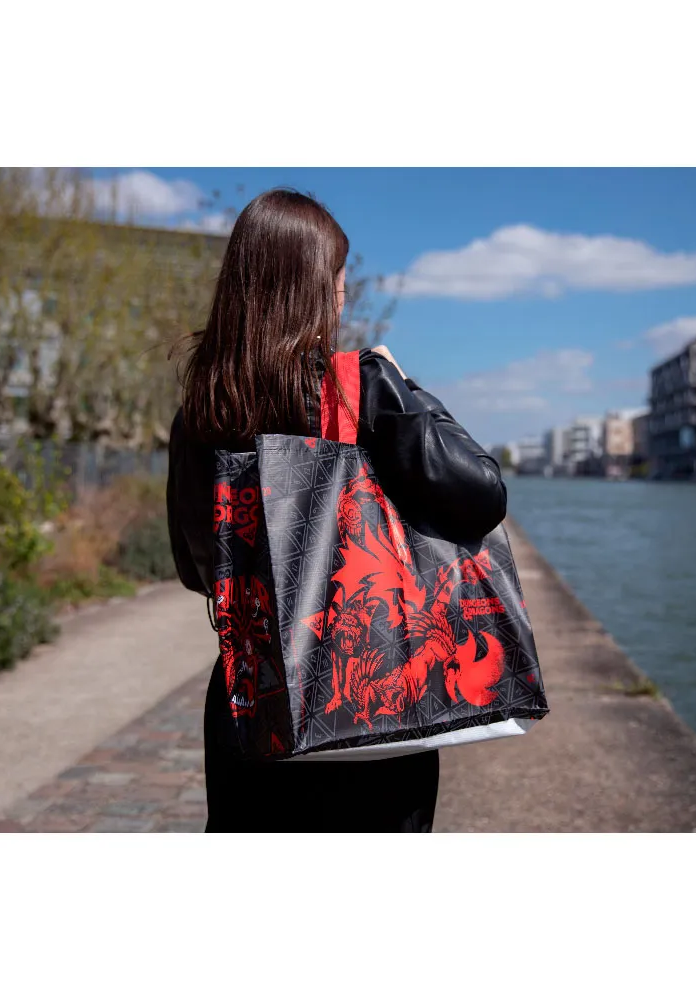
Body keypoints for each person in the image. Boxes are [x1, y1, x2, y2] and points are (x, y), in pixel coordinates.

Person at [166, 188, 507, 832]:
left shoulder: (201, 410)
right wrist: (405, 390)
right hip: (370, 697)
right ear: (317, 289)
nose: (344, 295)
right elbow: (483, 496)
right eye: (339, 279)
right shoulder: (360, 387)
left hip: (253, 697)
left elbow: (195, 568)